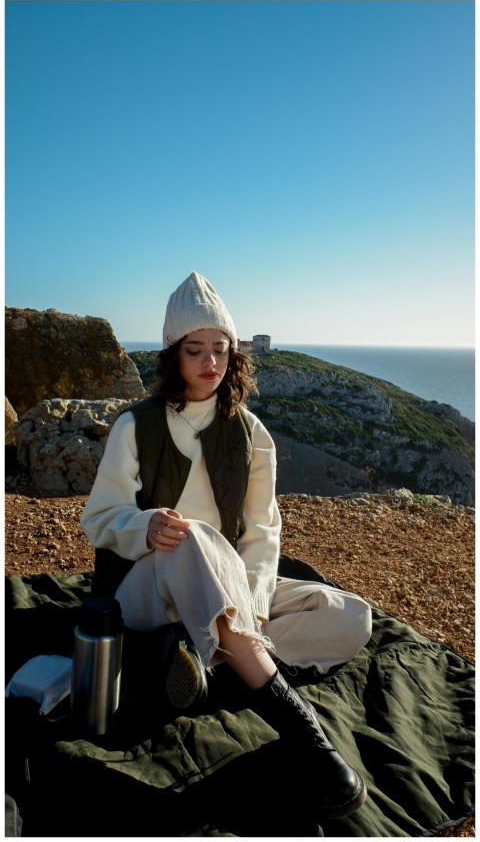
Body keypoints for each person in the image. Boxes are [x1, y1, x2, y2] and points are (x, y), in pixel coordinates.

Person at [81, 271, 372, 818]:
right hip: (147, 586)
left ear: (233, 356)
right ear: (173, 355)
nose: (210, 362)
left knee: (350, 614)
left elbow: (263, 533)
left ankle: (202, 659)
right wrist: (142, 526)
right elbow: (98, 517)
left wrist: (255, 604)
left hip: (230, 588)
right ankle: (308, 740)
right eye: (196, 350)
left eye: (220, 350)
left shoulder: (251, 433)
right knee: (194, 539)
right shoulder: (134, 426)